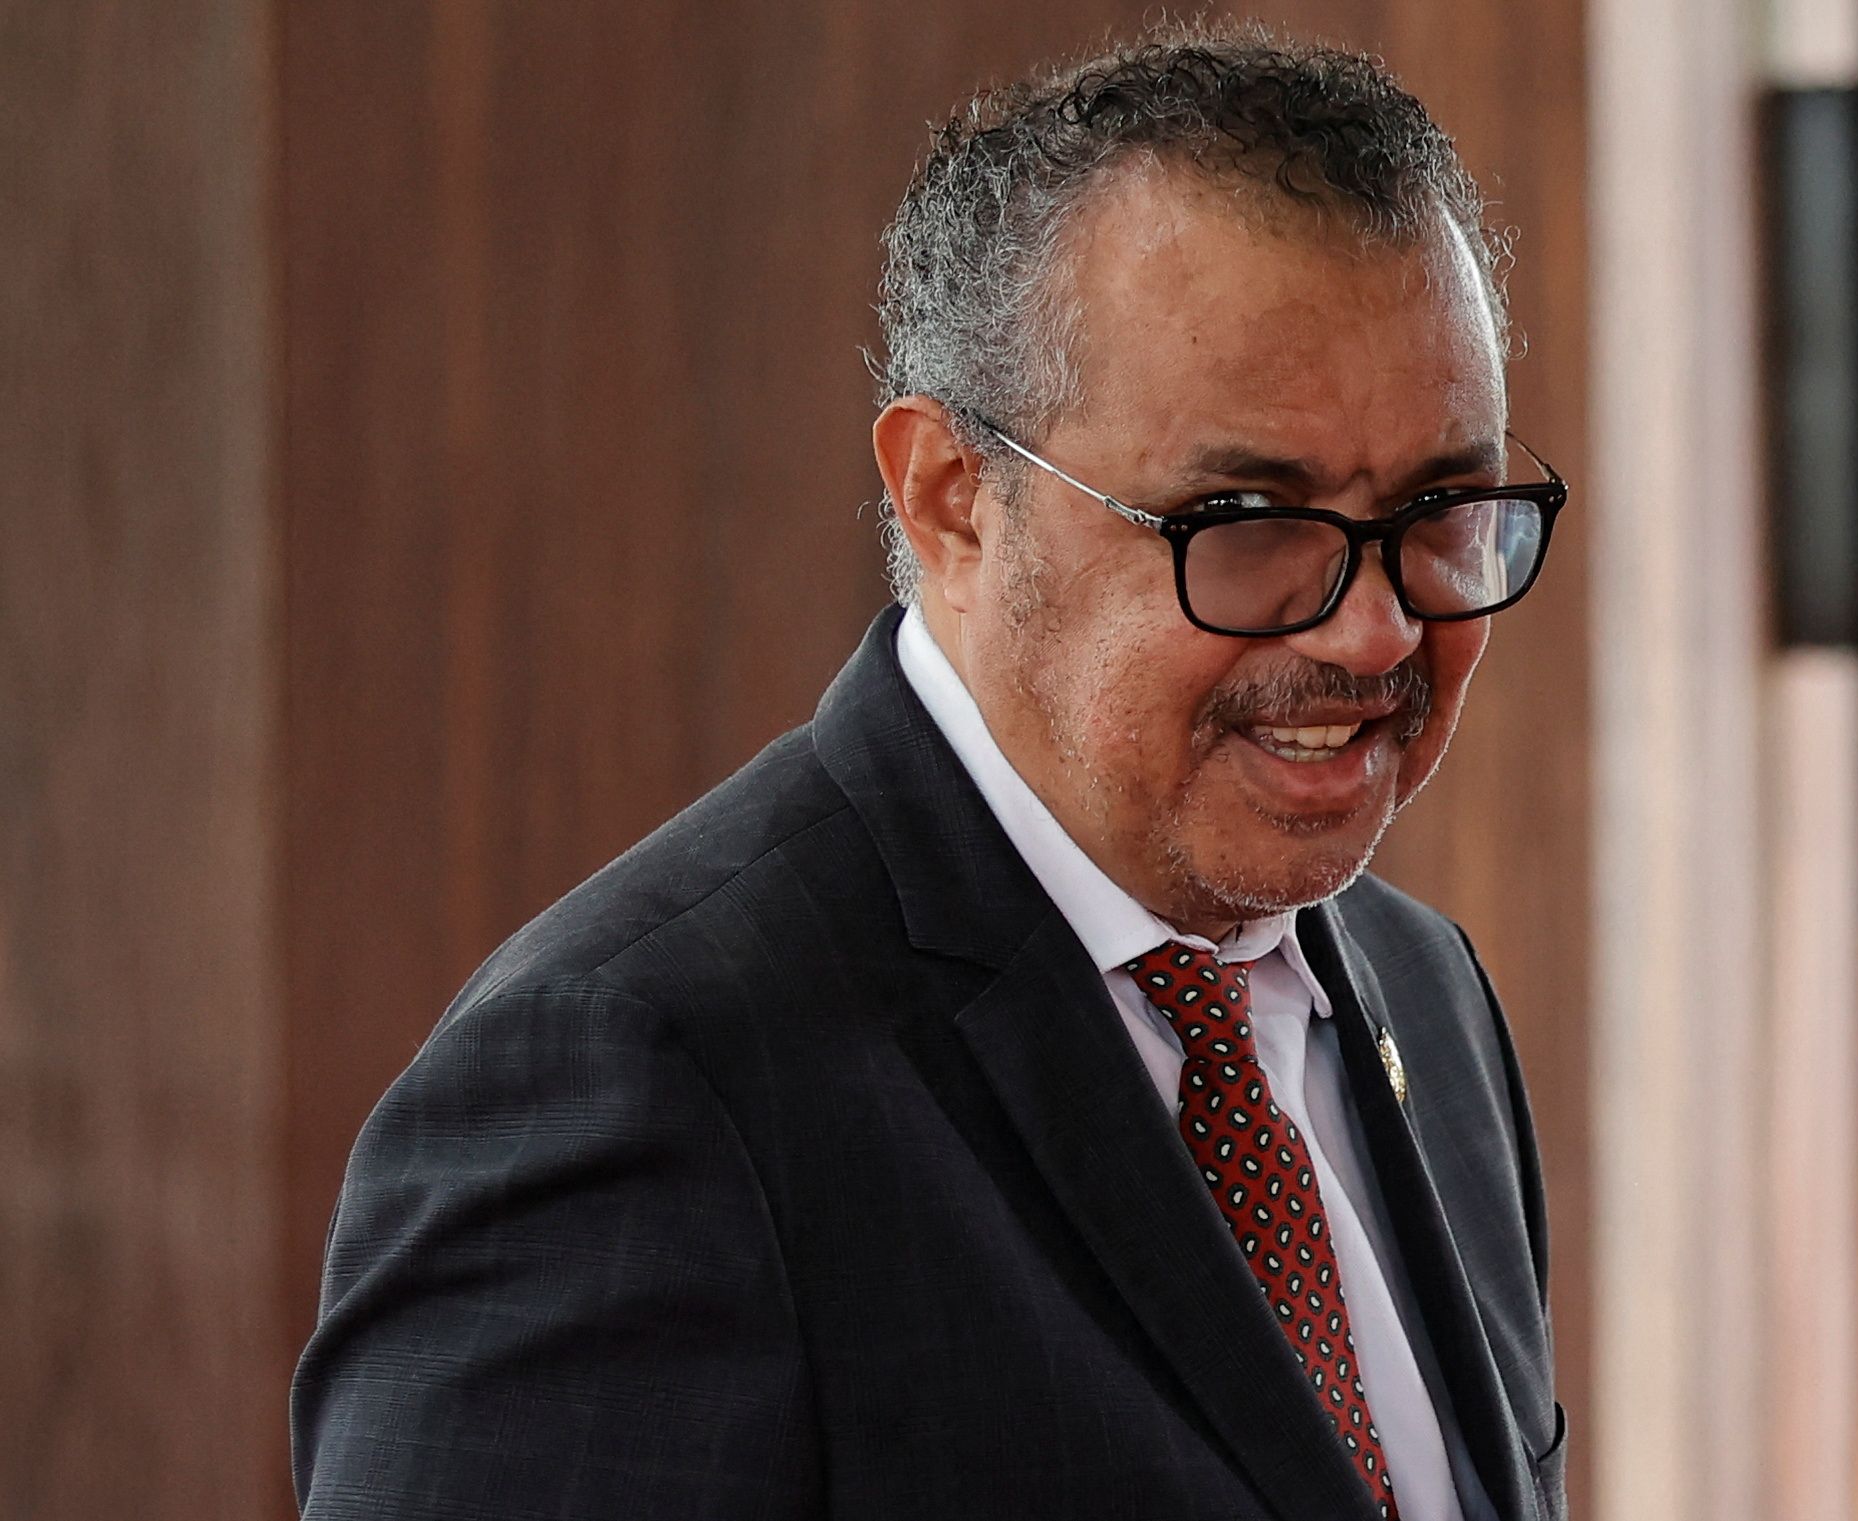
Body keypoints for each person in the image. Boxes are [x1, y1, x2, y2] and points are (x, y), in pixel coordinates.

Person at [291, 23, 1568, 1521]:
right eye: (1248, 517)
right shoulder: (642, 1080)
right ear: (954, 498)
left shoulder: (1426, 998)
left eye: (1440, 508)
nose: (1376, 627)